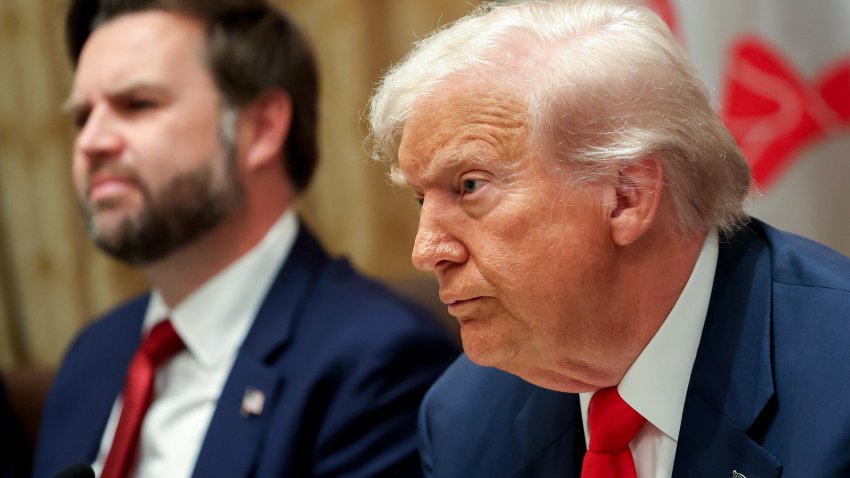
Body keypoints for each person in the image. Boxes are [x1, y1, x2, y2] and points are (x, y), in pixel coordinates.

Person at [368, 1, 850, 477]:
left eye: (470, 185)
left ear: (627, 197)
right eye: (420, 199)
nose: (426, 251)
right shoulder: (463, 420)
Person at [33, 0, 458, 477]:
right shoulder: (92, 353)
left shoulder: (375, 362)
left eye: (137, 104)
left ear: (261, 127)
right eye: (82, 117)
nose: (91, 141)